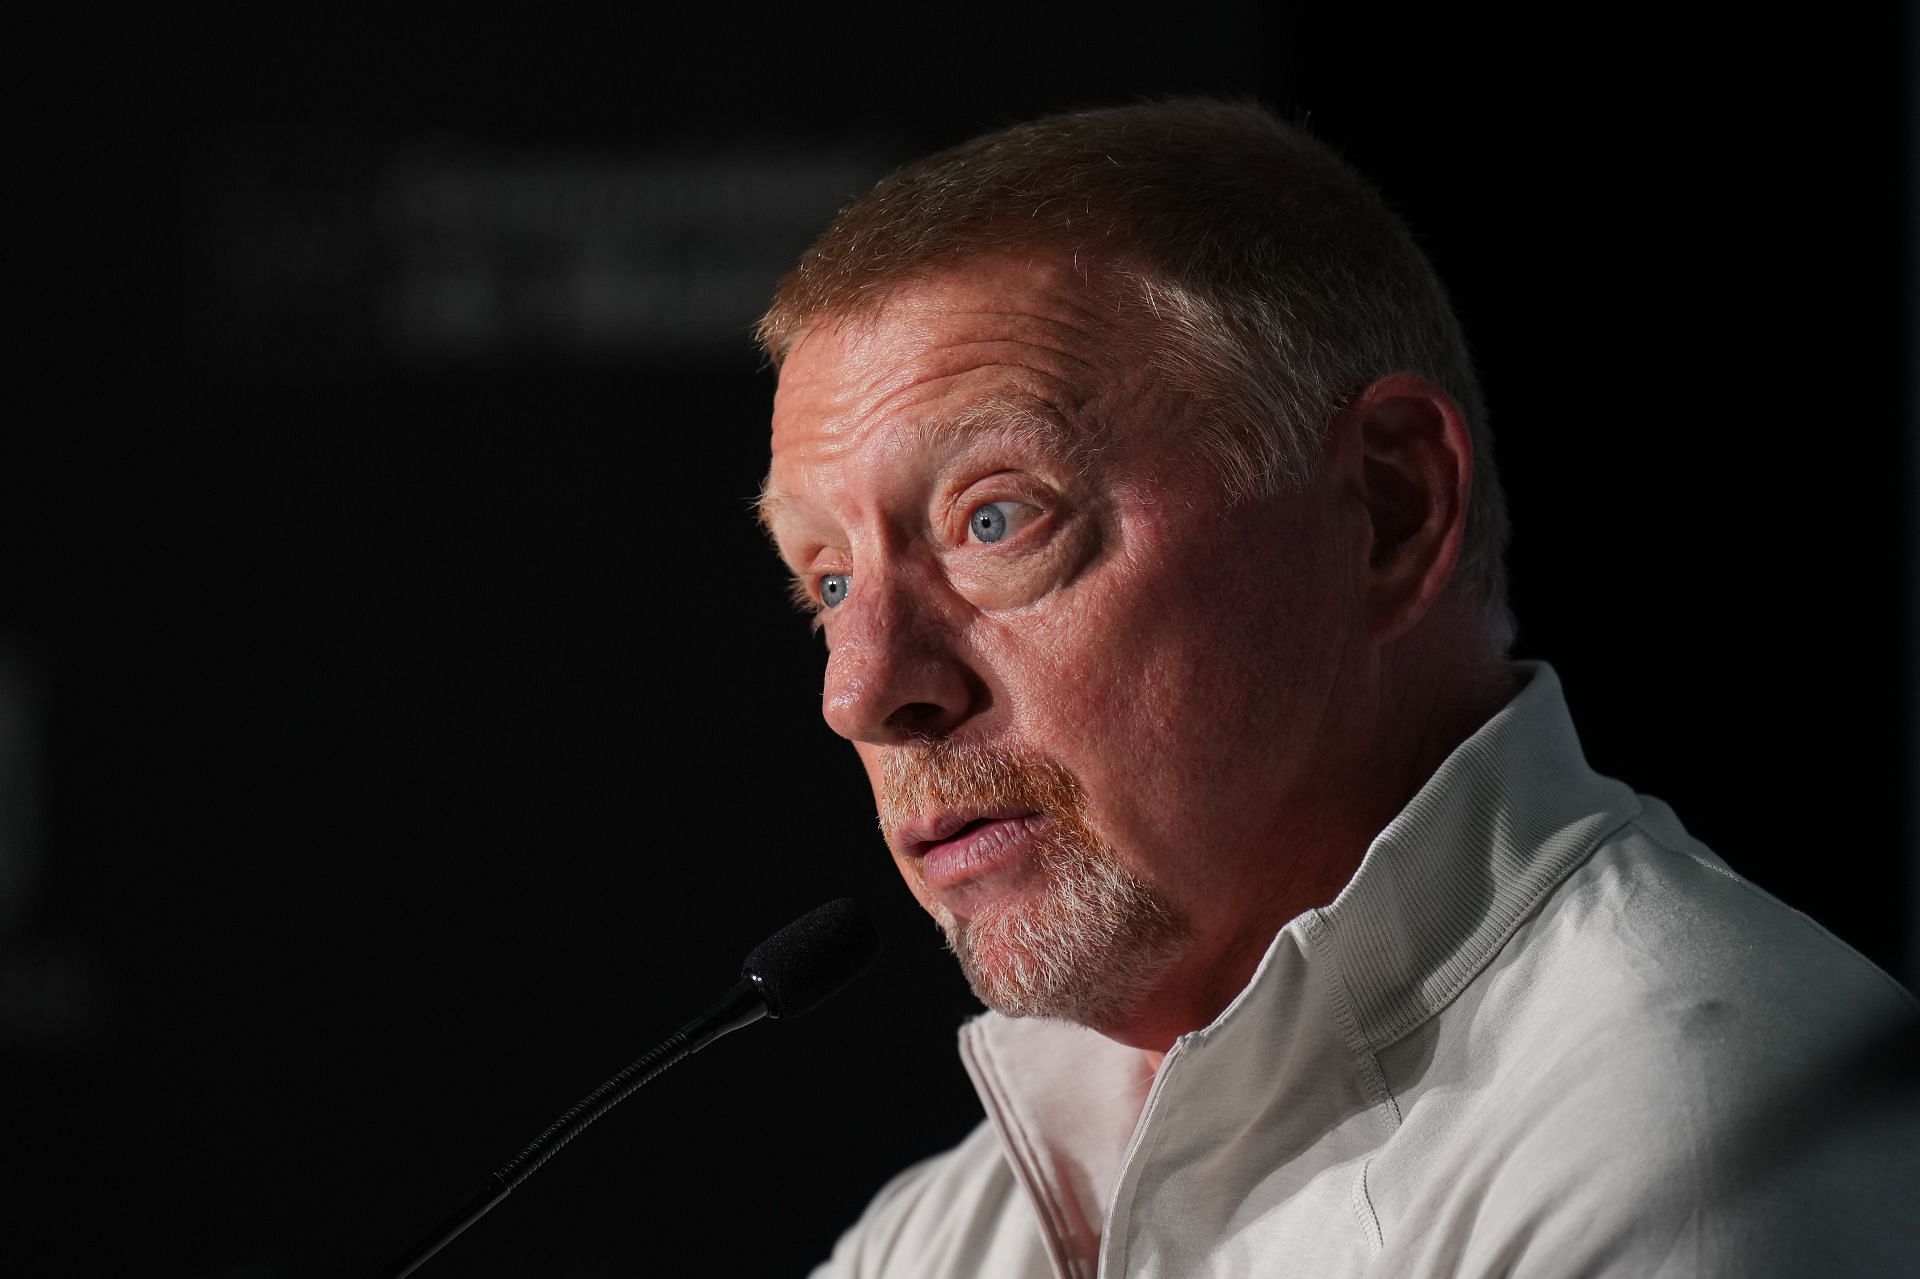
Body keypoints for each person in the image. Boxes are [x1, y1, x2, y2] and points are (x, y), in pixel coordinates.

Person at [754, 99, 1917, 1277]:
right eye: (830, 580)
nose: (863, 689)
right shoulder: (940, 1237)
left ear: (1389, 510)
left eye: (995, 519)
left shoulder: (1695, 1137)